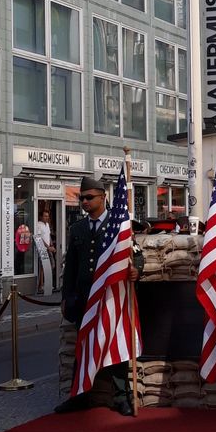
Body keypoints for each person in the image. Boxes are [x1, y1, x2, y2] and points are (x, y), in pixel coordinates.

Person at [56, 175, 143, 415]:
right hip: (85, 297)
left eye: (89, 197)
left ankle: (121, 396)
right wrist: (67, 297)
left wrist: (137, 270)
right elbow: (70, 267)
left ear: (103, 197)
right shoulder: (78, 228)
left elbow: (136, 255)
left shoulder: (119, 225)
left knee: (115, 346)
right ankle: (80, 395)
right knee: (82, 346)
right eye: (81, 198)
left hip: (111, 295)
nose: (84, 201)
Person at [35, 208, 56, 294]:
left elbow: (48, 236)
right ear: (41, 217)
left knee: (52, 265)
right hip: (42, 248)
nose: (47, 218)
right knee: (43, 268)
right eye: (45, 216)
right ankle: (41, 285)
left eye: (48, 216)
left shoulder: (47, 224)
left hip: (48, 248)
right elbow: (40, 238)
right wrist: (48, 247)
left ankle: (46, 283)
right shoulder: (38, 224)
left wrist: (52, 245)